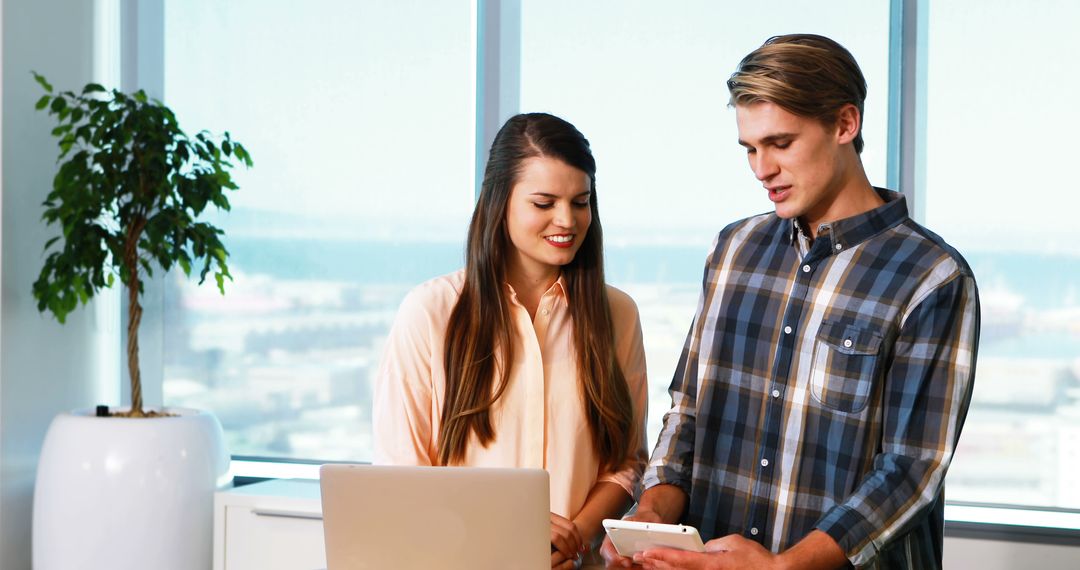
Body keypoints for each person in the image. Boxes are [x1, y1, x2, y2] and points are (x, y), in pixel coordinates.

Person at [602, 34, 980, 569]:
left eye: (780, 143)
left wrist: (783, 566)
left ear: (845, 125)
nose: (761, 169)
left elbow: (910, 471)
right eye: (750, 149)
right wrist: (652, 512)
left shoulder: (931, 278)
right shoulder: (733, 249)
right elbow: (689, 407)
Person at [373, 112, 649, 569]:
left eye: (581, 202)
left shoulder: (618, 314)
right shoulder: (430, 313)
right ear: (499, 202)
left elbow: (625, 464)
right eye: (544, 203)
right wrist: (509, 532)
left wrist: (573, 538)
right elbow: (400, 475)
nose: (567, 220)